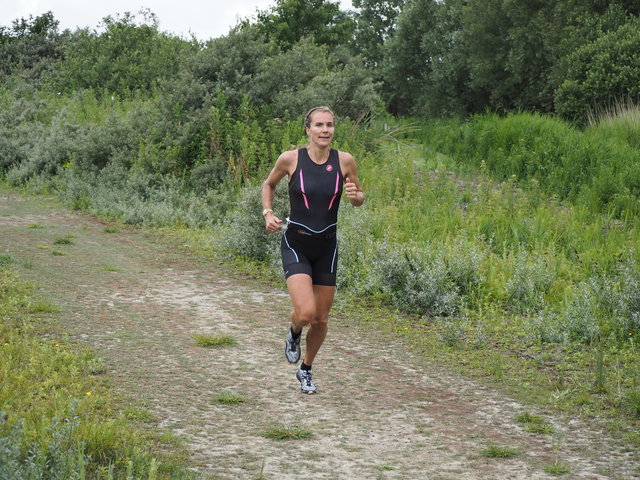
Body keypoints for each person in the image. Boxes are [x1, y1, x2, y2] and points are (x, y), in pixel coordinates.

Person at [261, 106, 365, 394]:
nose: (325, 130)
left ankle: (305, 369)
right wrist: (268, 213)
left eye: (329, 125)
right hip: (297, 241)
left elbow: (358, 196)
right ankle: (294, 332)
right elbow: (268, 185)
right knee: (305, 313)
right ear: (308, 129)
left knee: (320, 319)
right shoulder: (291, 159)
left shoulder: (345, 161)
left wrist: (357, 197)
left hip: (327, 246)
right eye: (319, 125)